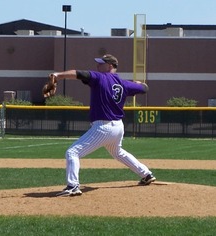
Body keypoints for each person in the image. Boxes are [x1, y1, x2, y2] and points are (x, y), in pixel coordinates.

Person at [46, 54, 156, 197]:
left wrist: (58, 75)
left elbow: (78, 73)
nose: (97, 66)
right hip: (118, 127)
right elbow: (145, 88)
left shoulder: (99, 77)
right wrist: (137, 84)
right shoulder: (124, 84)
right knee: (118, 152)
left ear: (110, 66)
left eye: (101, 63)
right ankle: (146, 174)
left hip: (103, 126)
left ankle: (73, 186)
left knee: (72, 152)